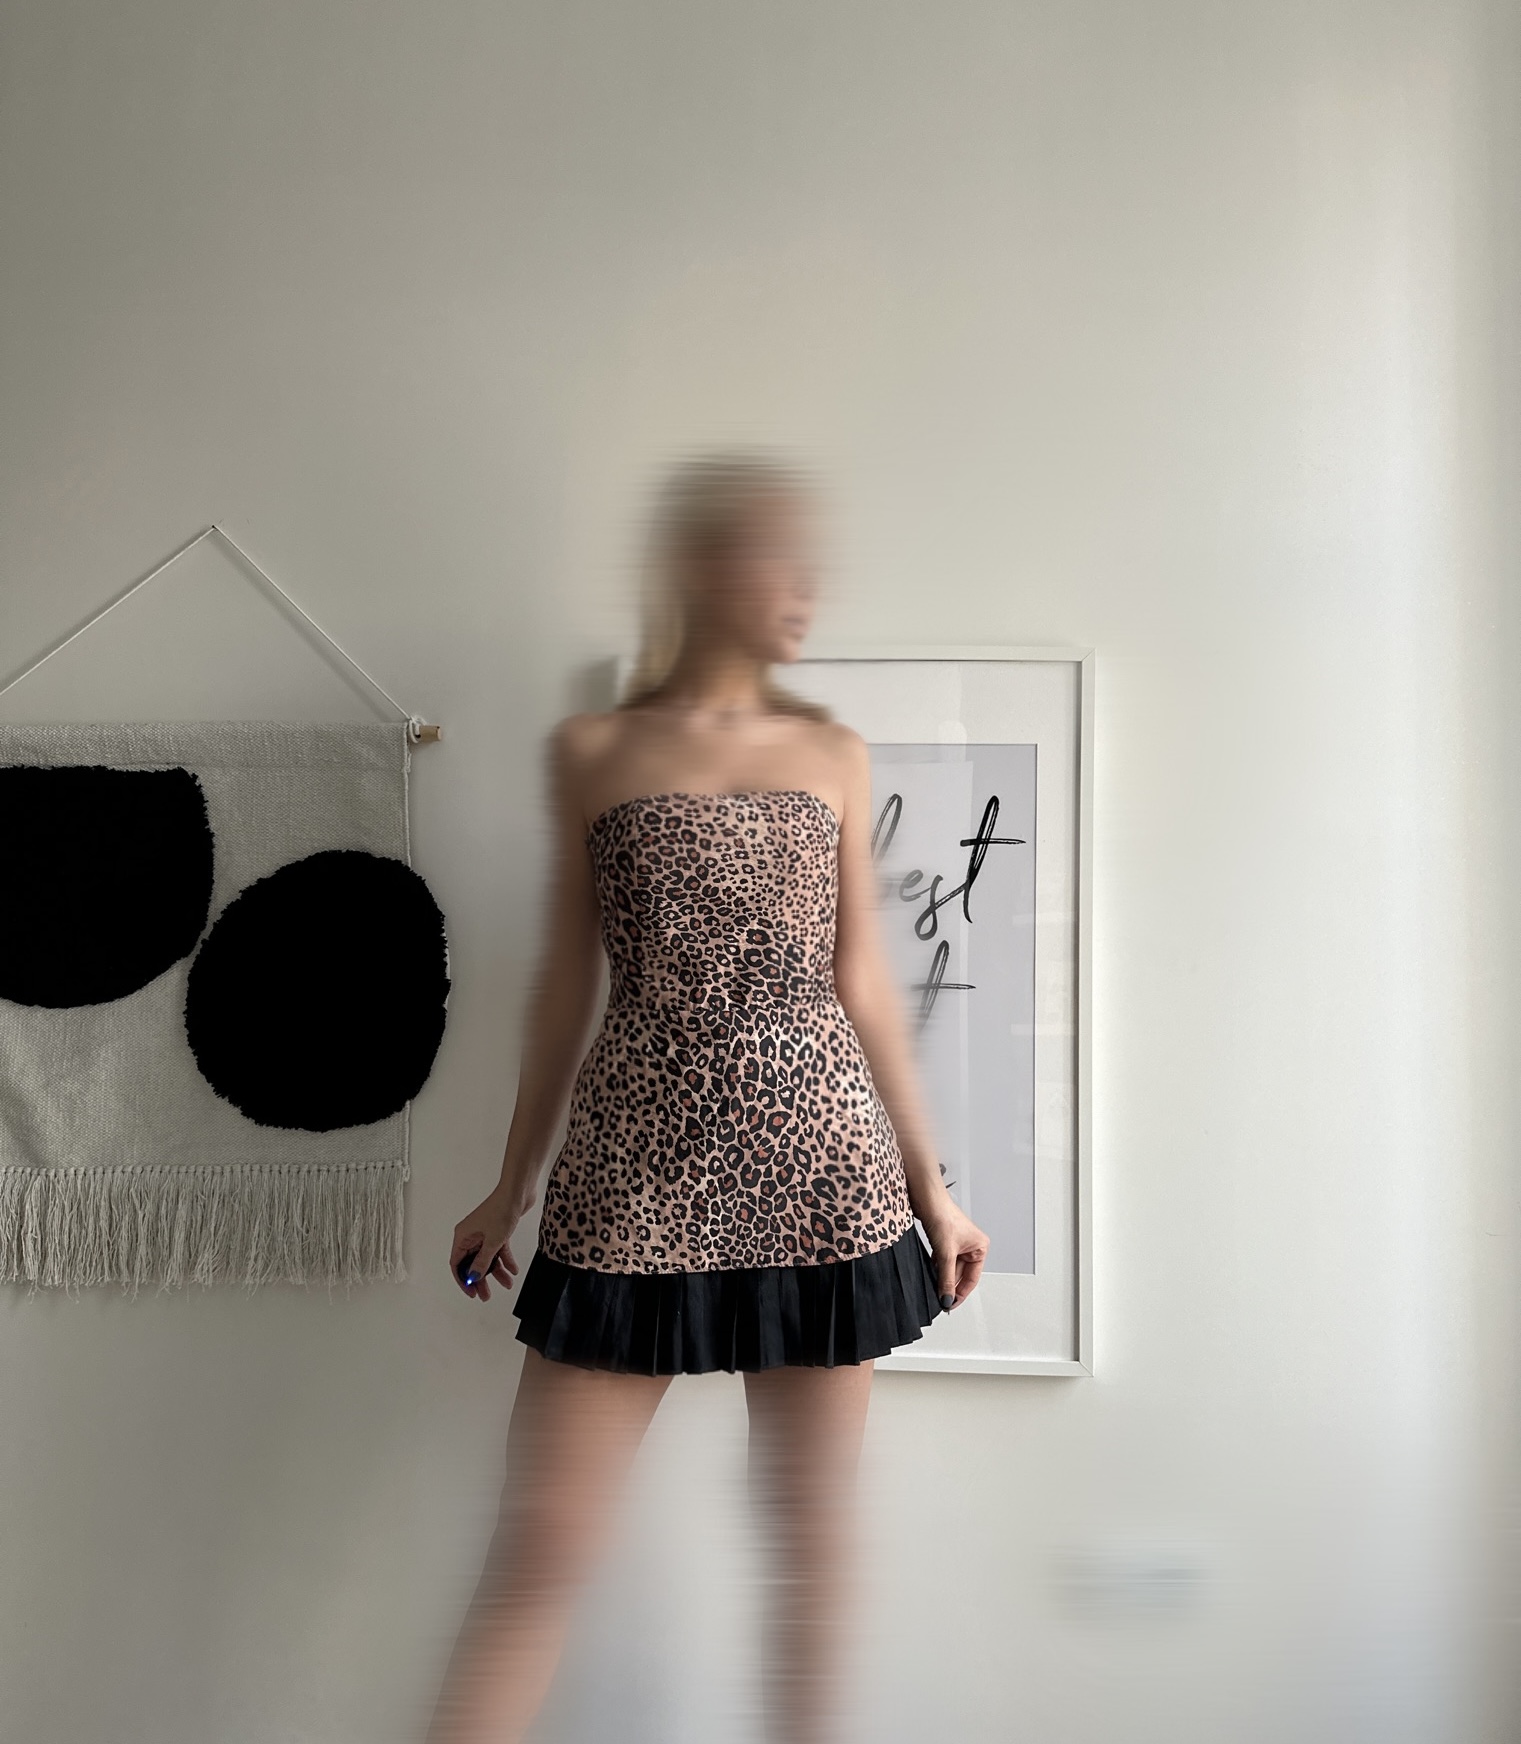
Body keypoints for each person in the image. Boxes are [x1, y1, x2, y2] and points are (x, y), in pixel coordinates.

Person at [425, 450, 989, 1744]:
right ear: (695, 565)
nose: (808, 584)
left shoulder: (832, 753)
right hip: (631, 1178)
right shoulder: (591, 750)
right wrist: (508, 1189)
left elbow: (864, 980)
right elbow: (564, 987)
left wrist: (934, 1192)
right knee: (539, 1555)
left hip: (825, 1181)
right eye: (776, 553)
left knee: (811, 1560)